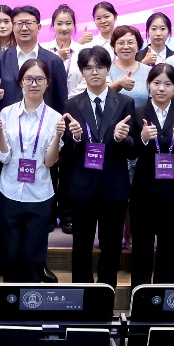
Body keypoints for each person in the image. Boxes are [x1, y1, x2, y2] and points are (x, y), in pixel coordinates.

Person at [60, 46, 135, 287]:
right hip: (83, 186)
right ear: (81, 72)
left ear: (108, 69)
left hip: (114, 186)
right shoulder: (71, 104)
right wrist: (75, 138)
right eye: (89, 68)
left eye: (100, 67)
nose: (95, 72)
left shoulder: (125, 103)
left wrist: (123, 138)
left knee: (111, 245)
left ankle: (106, 291)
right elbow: (66, 153)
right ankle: (82, 292)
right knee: (81, 245)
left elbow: (133, 150)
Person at [131, 63, 174, 287]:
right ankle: (139, 290)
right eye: (156, 83)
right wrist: (142, 138)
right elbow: (129, 151)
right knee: (142, 243)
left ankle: (164, 292)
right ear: (148, 85)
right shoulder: (137, 113)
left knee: (169, 243)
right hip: (143, 188)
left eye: (168, 84)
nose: (161, 88)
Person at [0, 59, 63, 283]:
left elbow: (49, 162)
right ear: (20, 82)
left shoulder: (54, 118)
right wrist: (0, 132)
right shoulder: (7, 113)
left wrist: (58, 135)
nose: (34, 84)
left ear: (47, 83)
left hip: (40, 193)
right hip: (9, 190)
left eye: (39, 79)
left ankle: (32, 301)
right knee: (10, 255)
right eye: (29, 79)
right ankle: (10, 301)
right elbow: (4, 157)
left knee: (34, 257)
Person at [0, 5, 70, 114]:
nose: (24, 28)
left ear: (39, 27)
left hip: (45, 122)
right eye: (19, 24)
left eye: (29, 23)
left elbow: (62, 101)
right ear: (13, 27)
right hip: (8, 122)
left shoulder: (54, 61)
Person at [108, 26, 152, 110]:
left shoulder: (148, 71)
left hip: (141, 117)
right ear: (114, 46)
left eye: (130, 42)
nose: (126, 47)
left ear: (138, 46)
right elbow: (100, 95)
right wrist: (119, 84)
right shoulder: (106, 70)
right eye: (121, 43)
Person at [50, 4, 86, 96]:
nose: (64, 28)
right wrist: (57, 57)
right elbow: (41, 75)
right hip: (50, 101)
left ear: (74, 25)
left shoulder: (83, 51)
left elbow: (87, 79)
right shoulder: (44, 50)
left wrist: (70, 99)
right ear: (53, 26)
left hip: (77, 101)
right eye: (59, 24)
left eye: (68, 23)